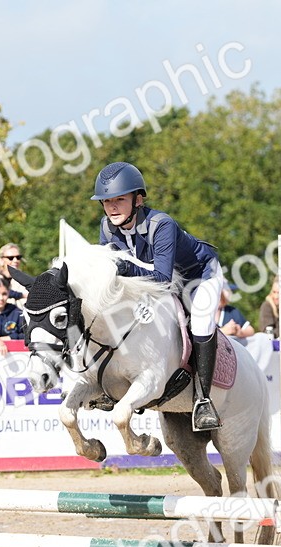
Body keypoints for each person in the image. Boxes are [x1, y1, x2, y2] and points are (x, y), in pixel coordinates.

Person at [90, 161, 225, 430]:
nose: (112, 207)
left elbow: (162, 278)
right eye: (107, 202)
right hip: (154, 281)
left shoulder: (161, 224)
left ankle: (203, 400)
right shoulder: (107, 228)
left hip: (197, 275)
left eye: (119, 199)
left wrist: (125, 267)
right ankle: (110, 386)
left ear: (137, 200)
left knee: (199, 321)